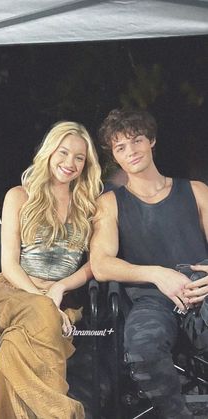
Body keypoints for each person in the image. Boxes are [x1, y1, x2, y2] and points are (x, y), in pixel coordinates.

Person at [0, 121, 102, 419]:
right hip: (10, 292)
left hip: (60, 303)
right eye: (63, 152)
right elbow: (9, 264)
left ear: (87, 165)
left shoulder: (89, 206)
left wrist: (59, 288)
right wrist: (44, 298)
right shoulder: (19, 196)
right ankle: (64, 414)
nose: (69, 163)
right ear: (49, 152)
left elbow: (95, 265)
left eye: (79, 158)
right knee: (44, 313)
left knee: (14, 347)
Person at [90, 108, 208, 419]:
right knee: (143, 347)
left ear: (151, 141)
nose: (131, 151)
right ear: (114, 155)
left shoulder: (195, 191)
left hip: (202, 290)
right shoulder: (111, 203)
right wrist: (156, 274)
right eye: (120, 147)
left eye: (136, 140)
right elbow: (101, 264)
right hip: (152, 301)